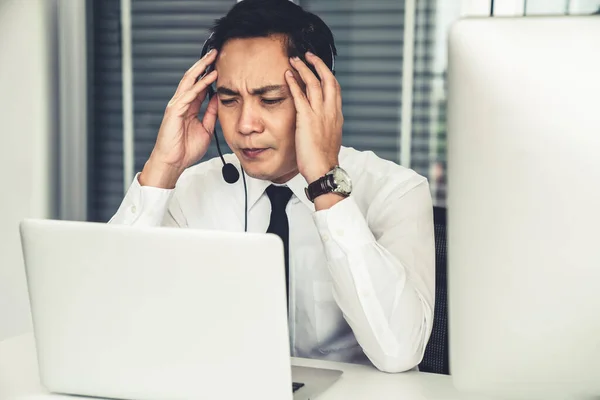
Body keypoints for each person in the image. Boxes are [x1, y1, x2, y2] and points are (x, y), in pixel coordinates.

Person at [109, 0, 435, 373]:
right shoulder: (190, 188)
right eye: (230, 100)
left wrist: (326, 183)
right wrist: (161, 169)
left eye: (270, 100)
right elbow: (104, 316)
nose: (246, 124)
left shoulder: (395, 191)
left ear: (317, 98)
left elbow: (399, 352)